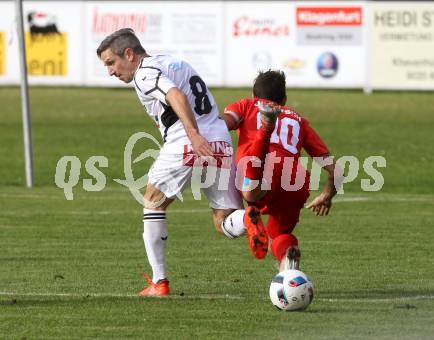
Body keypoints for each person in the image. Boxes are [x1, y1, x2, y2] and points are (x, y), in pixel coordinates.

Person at [96, 28, 268, 297]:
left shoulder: (144, 72)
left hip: (187, 142)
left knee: (153, 202)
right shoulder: (175, 62)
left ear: (128, 54)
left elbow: (176, 96)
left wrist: (193, 135)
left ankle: (159, 282)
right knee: (223, 221)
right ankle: (247, 219)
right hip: (220, 142)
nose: (110, 72)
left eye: (111, 63)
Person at [222, 70, 341, 271]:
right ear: (284, 99)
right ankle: (289, 262)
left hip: (261, 169)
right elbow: (335, 171)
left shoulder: (246, 105)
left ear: (254, 95)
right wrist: (327, 195)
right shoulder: (298, 120)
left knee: (250, 185)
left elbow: (223, 123)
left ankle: (266, 128)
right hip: (296, 178)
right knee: (277, 238)